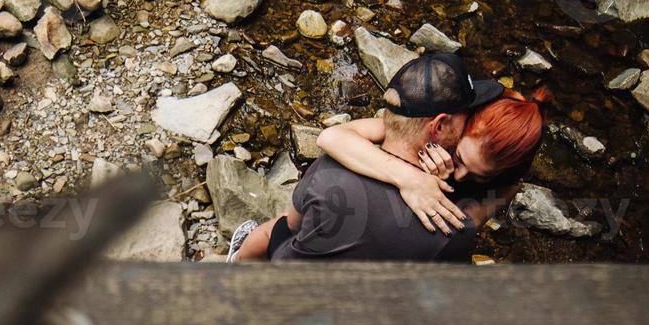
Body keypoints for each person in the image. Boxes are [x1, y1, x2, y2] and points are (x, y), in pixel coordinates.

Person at [227, 53, 549, 262]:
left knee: (275, 230)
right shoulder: (454, 232)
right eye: (460, 155)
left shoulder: (328, 170)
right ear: (439, 125)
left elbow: (290, 221)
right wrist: (410, 178)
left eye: (479, 176)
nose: (461, 175)